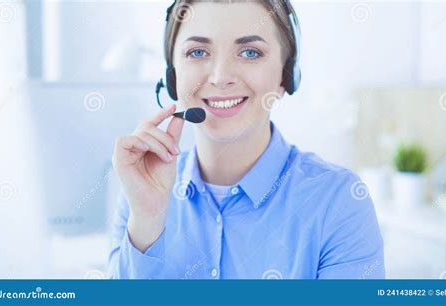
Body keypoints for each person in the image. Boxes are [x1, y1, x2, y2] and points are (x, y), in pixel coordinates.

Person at [108, 0, 385, 279]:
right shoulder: (141, 194)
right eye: (198, 51)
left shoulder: (339, 202)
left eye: (250, 52)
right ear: (172, 76)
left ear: (286, 75)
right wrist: (147, 223)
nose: (220, 77)